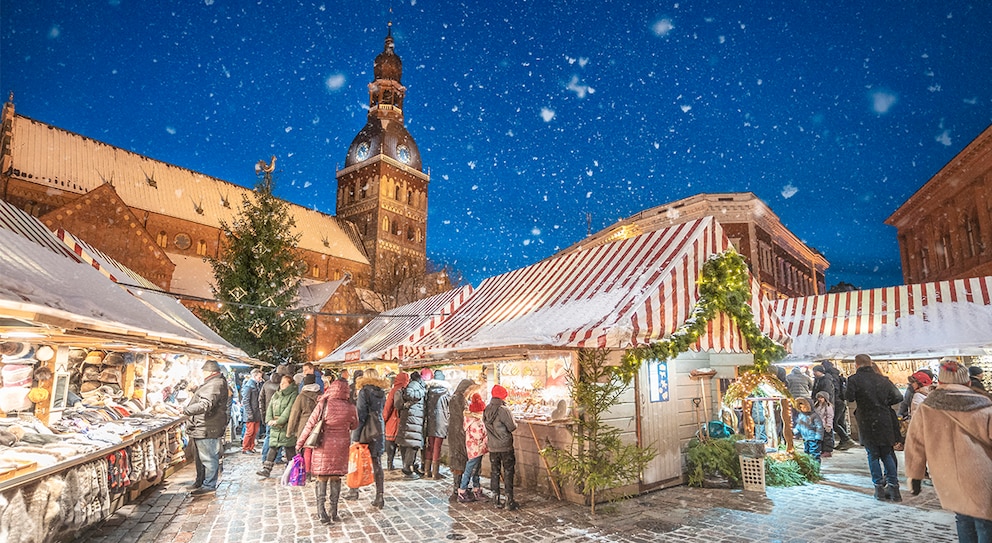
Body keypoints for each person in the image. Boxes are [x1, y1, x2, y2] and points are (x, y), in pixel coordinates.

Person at [905, 358, 992, 543]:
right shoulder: (984, 404)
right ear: (967, 382)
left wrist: (915, 475)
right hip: (981, 474)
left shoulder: (926, 408)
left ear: (941, 382)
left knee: (963, 517)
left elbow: (915, 443)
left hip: (947, 475)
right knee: (985, 520)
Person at [296, 379, 358, 524]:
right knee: (336, 477)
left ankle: (321, 512)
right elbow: (355, 424)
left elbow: (310, 424)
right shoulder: (350, 406)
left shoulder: (324, 404)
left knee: (322, 477)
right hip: (341, 445)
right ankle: (334, 511)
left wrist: (300, 443)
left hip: (323, 445)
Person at [845, 353, 904, 501]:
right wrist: (883, 402)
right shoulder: (883, 379)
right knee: (887, 453)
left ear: (856, 364)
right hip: (884, 420)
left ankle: (879, 489)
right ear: (870, 363)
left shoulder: (854, 379)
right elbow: (898, 397)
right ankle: (894, 489)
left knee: (873, 455)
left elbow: (849, 397)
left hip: (866, 421)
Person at [183, 360, 230, 495]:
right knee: (201, 458)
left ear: (209, 371)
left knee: (208, 458)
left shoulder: (215, 383)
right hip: (203, 426)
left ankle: (209, 485)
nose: (202, 373)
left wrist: (185, 410)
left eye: (203, 371)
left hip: (207, 427)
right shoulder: (214, 383)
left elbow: (205, 404)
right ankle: (201, 481)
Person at [354, 368, 389, 509]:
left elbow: (360, 415)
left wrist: (355, 436)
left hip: (366, 429)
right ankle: (379, 495)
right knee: (377, 462)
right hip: (378, 428)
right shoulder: (381, 392)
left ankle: (354, 489)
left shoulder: (364, 391)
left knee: (358, 458)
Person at [484, 384, 519, 510]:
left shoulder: (487, 409)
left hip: (493, 446)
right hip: (505, 446)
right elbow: (512, 427)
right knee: (508, 472)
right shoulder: (504, 410)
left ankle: (496, 499)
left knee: (495, 471)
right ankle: (509, 500)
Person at [256, 374, 299, 477]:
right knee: (273, 447)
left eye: (284, 383)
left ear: (290, 384)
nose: (282, 385)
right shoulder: (277, 394)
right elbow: (270, 406)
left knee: (289, 449)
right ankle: (266, 469)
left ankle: (292, 471)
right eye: (281, 383)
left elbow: (289, 410)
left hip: (286, 426)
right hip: (275, 427)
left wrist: (279, 421)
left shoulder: (293, 395)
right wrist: (269, 419)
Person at [447, 379, 477, 501]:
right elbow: (461, 414)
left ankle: (460, 486)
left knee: (460, 458)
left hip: (457, 431)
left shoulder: (457, 398)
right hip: (457, 431)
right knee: (458, 458)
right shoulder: (457, 399)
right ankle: (457, 487)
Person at [287, 374, 321, 475]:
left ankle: (307, 471)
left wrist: (289, 431)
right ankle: (316, 469)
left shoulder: (301, 396)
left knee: (306, 448)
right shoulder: (321, 394)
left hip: (304, 425)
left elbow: (294, 414)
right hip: (318, 425)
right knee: (316, 449)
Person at [397, 370, 427, 478]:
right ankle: (407, 468)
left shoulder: (414, 385)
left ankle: (408, 466)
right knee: (412, 445)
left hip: (410, 417)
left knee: (408, 443)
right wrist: (421, 393)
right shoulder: (416, 386)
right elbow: (409, 394)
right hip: (414, 419)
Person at [459, 393, 488, 502]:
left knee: (476, 469)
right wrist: (486, 434)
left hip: (476, 449)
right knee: (470, 469)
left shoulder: (472, 420)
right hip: (475, 449)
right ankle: (462, 490)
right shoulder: (475, 422)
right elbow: (478, 435)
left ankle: (476, 488)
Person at [424, 369, 452, 479]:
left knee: (430, 446)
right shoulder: (446, 392)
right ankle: (435, 473)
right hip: (441, 421)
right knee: (437, 447)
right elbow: (450, 407)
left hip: (430, 421)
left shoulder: (429, 391)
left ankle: (427, 471)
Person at [822, 360, 855, 450]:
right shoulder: (837, 375)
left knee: (833, 422)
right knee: (840, 421)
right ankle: (844, 442)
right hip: (841, 401)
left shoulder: (829, 377)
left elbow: (833, 390)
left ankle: (846, 439)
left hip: (836, 401)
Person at [382, 372, 409, 471]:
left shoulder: (393, 391)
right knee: (403, 444)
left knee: (390, 443)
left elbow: (387, 407)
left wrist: (384, 419)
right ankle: (404, 464)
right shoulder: (407, 390)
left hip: (392, 421)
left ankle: (390, 463)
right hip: (404, 421)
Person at [259, 368, 284, 464]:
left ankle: (265, 457)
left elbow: (260, 400)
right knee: (279, 437)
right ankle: (277, 458)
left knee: (268, 436)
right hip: (280, 416)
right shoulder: (282, 386)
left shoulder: (266, 384)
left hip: (268, 415)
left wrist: (263, 415)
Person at [793, 397, 824, 463]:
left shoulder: (814, 416)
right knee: (806, 452)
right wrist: (794, 431)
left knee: (814, 453)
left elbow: (819, 427)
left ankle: (815, 465)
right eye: (801, 407)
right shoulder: (801, 415)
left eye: (804, 407)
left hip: (813, 438)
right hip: (805, 438)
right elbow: (799, 425)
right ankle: (809, 464)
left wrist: (818, 437)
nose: (802, 409)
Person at [240, 369, 264, 454]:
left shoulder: (257, 385)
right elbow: (246, 401)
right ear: (254, 376)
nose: (260, 378)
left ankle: (251, 446)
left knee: (254, 432)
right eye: (259, 377)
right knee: (250, 432)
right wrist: (249, 413)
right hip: (251, 412)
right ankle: (245, 447)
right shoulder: (249, 386)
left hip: (256, 412)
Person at [813, 391, 834, 457]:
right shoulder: (816, 405)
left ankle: (827, 451)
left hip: (825, 425)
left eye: (821, 397)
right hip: (818, 425)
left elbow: (829, 416)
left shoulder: (828, 406)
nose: (820, 399)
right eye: (819, 397)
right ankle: (821, 450)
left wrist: (829, 425)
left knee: (827, 438)